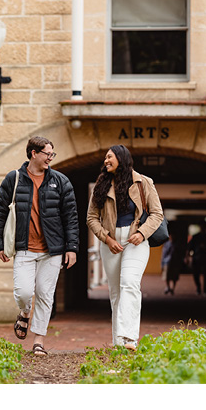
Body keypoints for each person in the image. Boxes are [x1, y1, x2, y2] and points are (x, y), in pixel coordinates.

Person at [0, 136, 79, 357]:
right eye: (47, 153)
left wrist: (72, 247)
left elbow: (71, 217)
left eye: (52, 154)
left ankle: (38, 341)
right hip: (24, 248)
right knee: (24, 292)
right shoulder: (14, 178)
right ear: (34, 154)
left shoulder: (61, 181)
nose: (50, 158)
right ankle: (24, 311)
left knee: (45, 294)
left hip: (53, 251)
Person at [85, 145, 164, 351]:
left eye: (109, 157)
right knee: (116, 293)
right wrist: (107, 239)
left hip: (136, 240)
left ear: (121, 158)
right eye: (105, 157)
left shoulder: (143, 182)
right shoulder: (101, 184)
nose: (106, 160)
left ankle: (130, 338)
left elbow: (157, 214)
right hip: (110, 241)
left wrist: (142, 233)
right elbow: (91, 218)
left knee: (129, 283)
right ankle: (118, 343)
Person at [186, 221, 206, 296]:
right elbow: (190, 247)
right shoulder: (195, 237)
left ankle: (205, 290)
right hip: (197, 258)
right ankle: (198, 287)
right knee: (196, 274)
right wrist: (187, 256)